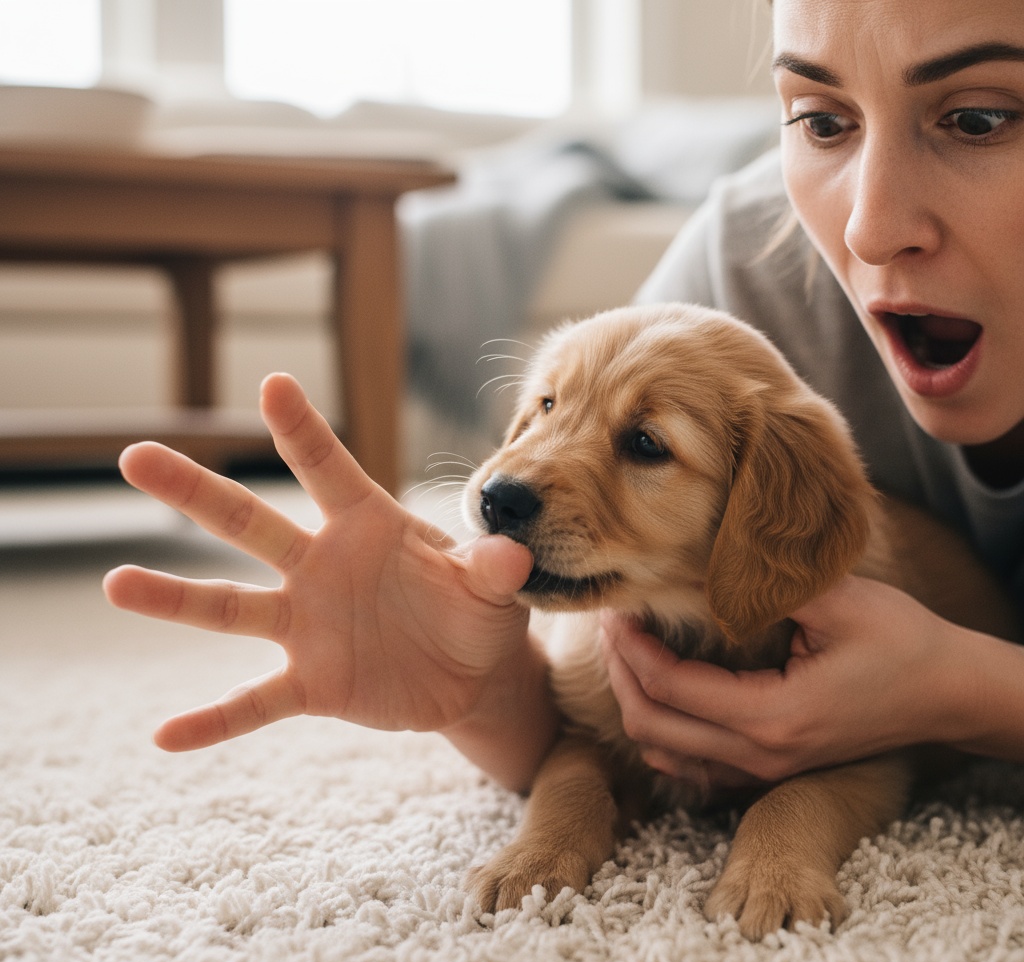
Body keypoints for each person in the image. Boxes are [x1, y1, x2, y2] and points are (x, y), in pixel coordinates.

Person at [104, 0, 1024, 797]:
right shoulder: (744, 270)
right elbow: (606, 721)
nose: (868, 226)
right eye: (822, 120)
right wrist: (480, 689)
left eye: (980, 118)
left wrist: (965, 692)